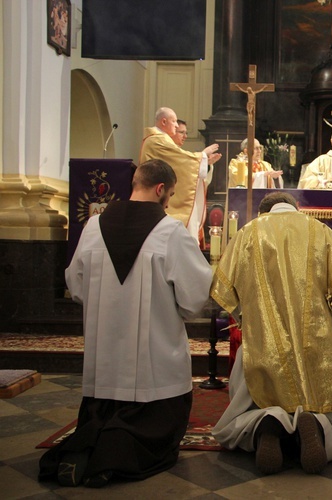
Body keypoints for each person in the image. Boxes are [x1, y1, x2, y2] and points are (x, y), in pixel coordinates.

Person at [38, 159, 213, 488]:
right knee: (150, 430)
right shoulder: (171, 232)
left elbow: (75, 286)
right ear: (161, 190)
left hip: (103, 371)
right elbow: (193, 300)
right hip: (154, 374)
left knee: (101, 417)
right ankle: (113, 458)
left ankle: (87, 450)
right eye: (171, 194)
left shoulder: (93, 227)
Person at [210, 191, 332, 475]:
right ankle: (314, 425)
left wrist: (250, 321)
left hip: (262, 352)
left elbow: (228, 298)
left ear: (263, 213)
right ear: (295, 209)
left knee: (238, 421)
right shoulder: (321, 232)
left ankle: (267, 423)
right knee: (330, 424)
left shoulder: (247, 234)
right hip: (315, 354)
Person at [139, 107, 221, 245]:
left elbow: (179, 163)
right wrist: (203, 156)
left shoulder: (162, 139)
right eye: (174, 121)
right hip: (156, 196)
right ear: (164, 121)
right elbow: (181, 160)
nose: (176, 125)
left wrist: (205, 163)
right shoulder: (156, 140)